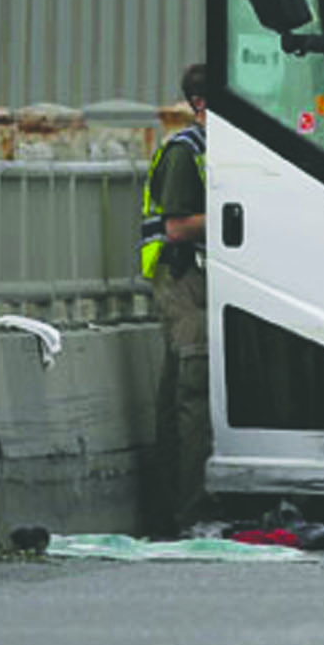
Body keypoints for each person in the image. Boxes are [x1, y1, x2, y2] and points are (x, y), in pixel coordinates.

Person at [141, 63, 210, 533]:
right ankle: (191, 514)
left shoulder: (209, 148)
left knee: (178, 395)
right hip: (182, 278)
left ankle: (173, 511)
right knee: (194, 392)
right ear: (201, 105)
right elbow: (177, 226)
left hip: (196, 277)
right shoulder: (186, 152)